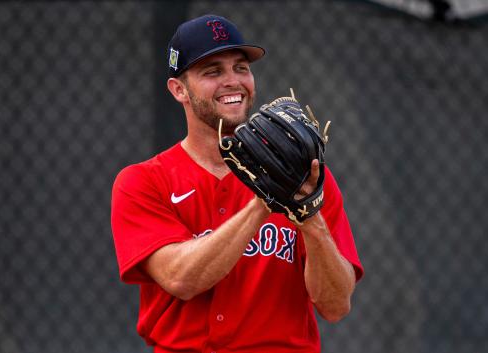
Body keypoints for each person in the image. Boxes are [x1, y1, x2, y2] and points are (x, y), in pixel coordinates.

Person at [111, 14, 363, 353]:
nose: (233, 81)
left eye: (241, 68)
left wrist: (310, 218)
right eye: (213, 71)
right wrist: (264, 200)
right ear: (179, 89)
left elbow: (335, 306)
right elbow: (181, 279)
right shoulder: (143, 182)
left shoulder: (307, 177)